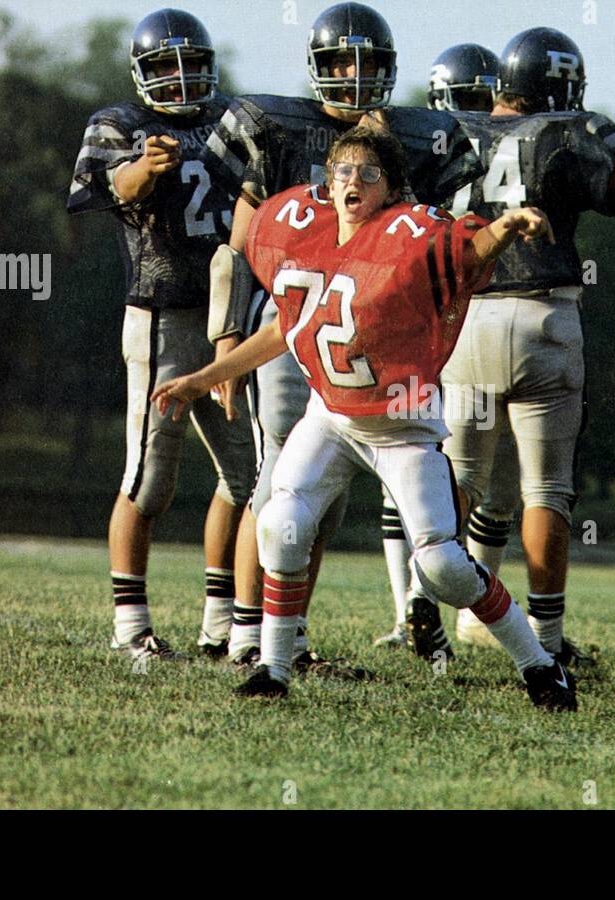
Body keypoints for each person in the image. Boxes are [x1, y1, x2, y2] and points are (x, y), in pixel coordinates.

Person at [152, 127, 577, 710]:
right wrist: (209, 373)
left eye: (369, 174)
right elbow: (285, 325)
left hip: (401, 423)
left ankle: (540, 666)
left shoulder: (408, 234)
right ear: (327, 178)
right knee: (281, 523)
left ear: (390, 187)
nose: (354, 182)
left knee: (443, 567)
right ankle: (273, 668)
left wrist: (505, 226)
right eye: (343, 170)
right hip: (330, 414)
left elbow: (466, 252)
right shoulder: (305, 230)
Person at [199, 2, 479, 674]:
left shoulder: (410, 139)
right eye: (340, 62)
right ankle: (248, 637)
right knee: (276, 485)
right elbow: (238, 250)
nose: (353, 75)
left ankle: (286, 640)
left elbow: (432, 241)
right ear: (318, 68)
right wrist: (226, 345)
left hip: (364, 343)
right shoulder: (274, 128)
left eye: (367, 63)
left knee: (318, 502)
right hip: (293, 334)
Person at [409, 26, 615, 667]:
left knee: (462, 478)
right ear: (561, 84)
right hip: (542, 317)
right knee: (546, 489)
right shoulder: (567, 130)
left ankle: (425, 595)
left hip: (465, 323)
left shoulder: (450, 131)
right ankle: (547, 638)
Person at [66, 8, 255, 663]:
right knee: (149, 481)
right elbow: (114, 186)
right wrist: (147, 168)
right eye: (163, 69)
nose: (179, 81)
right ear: (139, 74)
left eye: (191, 66)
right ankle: (131, 628)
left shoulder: (234, 117)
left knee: (252, 478)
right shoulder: (120, 125)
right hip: (163, 319)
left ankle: (220, 620)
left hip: (232, 322)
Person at [374, 41, 511, 650]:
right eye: (464, 103)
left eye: (484, 101)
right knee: (420, 468)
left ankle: (432, 606)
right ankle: (414, 605)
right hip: (428, 321)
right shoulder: (418, 155)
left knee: (459, 475)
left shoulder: (465, 157)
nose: (473, 114)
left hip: (459, 317)